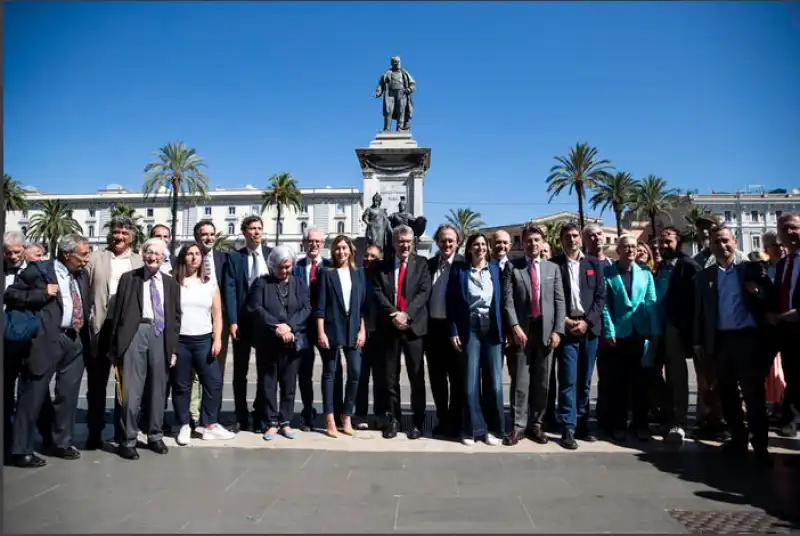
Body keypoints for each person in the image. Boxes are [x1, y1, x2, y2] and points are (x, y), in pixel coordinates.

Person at [6, 234, 91, 468]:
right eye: (83, 255)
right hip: (46, 340)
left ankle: (59, 442)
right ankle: (20, 449)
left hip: (74, 340)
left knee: (68, 394)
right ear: (66, 254)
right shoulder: (39, 270)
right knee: (32, 394)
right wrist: (41, 294)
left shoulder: (82, 274)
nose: (87, 260)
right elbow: (11, 295)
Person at [694, 225, 773, 464]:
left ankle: (761, 447)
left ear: (735, 242)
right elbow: (700, 313)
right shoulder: (705, 277)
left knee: (753, 395)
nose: (722, 245)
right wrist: (699, 342)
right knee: (726, 395)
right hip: (720, 342)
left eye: (726, 241)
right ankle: (738, 440)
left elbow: (769, 298)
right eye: (717, 242)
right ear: (710, 245)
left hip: (747, 341)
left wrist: (757, 292)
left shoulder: (751, 270)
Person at [109, 238, 181, 460]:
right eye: (149, 252)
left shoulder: (171, 284)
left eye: (158, 254)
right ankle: (128, 439)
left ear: (164, 257)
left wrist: (173, 348)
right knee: (131, 390)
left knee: (158, 389)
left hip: (160, 336)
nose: (153, 257)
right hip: (135, 333)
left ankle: (155, 435)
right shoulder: (129, 279)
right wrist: (116, 346)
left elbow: (176, 317)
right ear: (142, 254)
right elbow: (118, 313)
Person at [502, 223, 565, 446]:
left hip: (546, 333)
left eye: (536, 240)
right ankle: (518, 426)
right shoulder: (513, 267)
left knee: (542, 382)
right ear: (523, 242)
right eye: (528, 240)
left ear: (542, 241)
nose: (532, 244)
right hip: (522, 332)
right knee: (520, 381)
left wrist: (558, 330)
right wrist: (515, 326)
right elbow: (507, 301)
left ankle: (536, 425)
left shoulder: (552, 268)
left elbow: (559, 302)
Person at [85, 216, 143, 449]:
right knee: (96, 384)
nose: (119, 237)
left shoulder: (139, 261)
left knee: (125, 385)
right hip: (101, 326)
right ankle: (94, 432)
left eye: (124, 234)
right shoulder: (96, 258)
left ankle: (123, 432)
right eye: (116, 233)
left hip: (126, 330)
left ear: (131, 237)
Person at [171, 244, 235, 446]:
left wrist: (217, 339)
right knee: (181, 386)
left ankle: (209, 425)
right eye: (189, 254)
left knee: (213, 382)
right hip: (180, 341)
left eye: (197, 254)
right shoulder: (174, 284)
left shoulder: (210, 284)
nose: (193, 258)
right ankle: (183, 425)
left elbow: (217, 314)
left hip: (203, 340)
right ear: (183, 258)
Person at [372, 225, 431, 440]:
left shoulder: (422, 264)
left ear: (413, 243)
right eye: (400, 241)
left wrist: (406, 315)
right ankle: (394, 419)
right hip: (390, 328)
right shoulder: (382, 266)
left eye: (408, 241)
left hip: (414, 328)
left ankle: (417, 421)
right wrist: (394, 314)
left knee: (416, 377)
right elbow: (377, 292)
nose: (404, 245)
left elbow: (424, 291)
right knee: (390, 378)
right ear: (394, 243)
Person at [447, 233, 505, 446]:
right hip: (469, 329)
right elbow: (451, 302)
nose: (480, 248)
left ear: (487, 248)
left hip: (492, 329)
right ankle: (471, 429)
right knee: (470, 383)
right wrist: (453, 330)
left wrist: (506, 330)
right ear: (469, 249)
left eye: (483, 245)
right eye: (475, 245)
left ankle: (495, 429)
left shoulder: (496, 271)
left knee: (495, 383)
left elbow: (504, 302)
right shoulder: (460, 271)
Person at [246, 246, 310, 441]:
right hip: (268, 342)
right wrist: (277, 327)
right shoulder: (261, 283)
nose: (284, 271)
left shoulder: (299, 284)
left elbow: (306, 308)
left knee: (289, 384)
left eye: (288, 267)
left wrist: (290, 327)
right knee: (268, 383)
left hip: (292, 341)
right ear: (272, 266)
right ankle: (271, 422)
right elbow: (256, 308)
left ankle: (285, 421)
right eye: (280, 267)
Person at [550, 223, 604, 449]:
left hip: (589, 329)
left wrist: (587, 322)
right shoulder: (553, 265)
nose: (572, 240)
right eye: (567, 236)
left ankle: (582, 423)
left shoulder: (593, 264)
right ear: (561, 240)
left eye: (574, 236)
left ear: (580, 239)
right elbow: (550, 299)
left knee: (584, 381)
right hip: (567, 329)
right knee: (568, 380)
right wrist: (566, 321)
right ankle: (568, 428)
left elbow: (601, 297)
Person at [602, 235, 660, 442]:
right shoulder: (608, 273)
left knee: (641, 384)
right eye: (626, 247)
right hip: (619, 334)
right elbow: (605, 306)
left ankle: (641, 425)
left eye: (633, 247)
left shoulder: (645, 273)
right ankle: (618, 425)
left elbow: (651, 302)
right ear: (618, 251)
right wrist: (609, 331)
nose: (630, 250)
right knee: (619, 384)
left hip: (641, 334)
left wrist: (655, 331)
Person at [224, 215, 273, 432]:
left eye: (259, 228)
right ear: (244, 232)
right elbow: (230, 290)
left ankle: (261, 413)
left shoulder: (271, 255)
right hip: (242, 322)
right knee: (240, 371)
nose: (256, 232)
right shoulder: (235, 258)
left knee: (266, 370)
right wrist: (233, 321)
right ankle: (240, 415)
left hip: (266, 323)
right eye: (252, 228)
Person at [653, 227, 701, 445]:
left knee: (677, 377)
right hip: (655, 327)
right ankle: (666, 413)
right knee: (652, 372)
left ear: (678, 243)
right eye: (661, 241)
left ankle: (679, 421)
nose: (664, 245)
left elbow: (697, 301)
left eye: (668, 241)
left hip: (676, 328)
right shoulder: (659, 267)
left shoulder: (689, 266)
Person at [316, 235, 368, 438]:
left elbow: (362, 306)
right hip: (332, 328)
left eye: (345, 248)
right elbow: (320, 306)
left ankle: (346, 415)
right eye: (338, 248)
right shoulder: (326, 273)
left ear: (351, 250)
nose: (341, 252)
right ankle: (329, 417)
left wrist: (362, 330)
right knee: (329, 373)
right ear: (333, 251)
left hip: (353, 328)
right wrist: (321, 332)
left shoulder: (358, 274)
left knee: (355, 372)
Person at [294, 228, 339, 431]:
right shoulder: (295, 267)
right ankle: (308, 411)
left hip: (326, 327)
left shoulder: (332, 267)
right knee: (304, 372)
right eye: (310, 241)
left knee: (331, 371)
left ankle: (332, 411)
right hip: (302, 328)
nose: (314, 245)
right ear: (304, 243)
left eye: (317, 241)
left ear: (323, 244)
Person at [425, 223, 465, 437]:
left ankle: (456, 422)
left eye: (450, 240)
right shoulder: (429, 265)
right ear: (437, 242)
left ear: (457, 243)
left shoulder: (463, 265)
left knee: (457, 379)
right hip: (433, 330)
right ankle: (442, 418)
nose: (446, 243)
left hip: (455, 332)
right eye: (443, 240)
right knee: (437, 379)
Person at [191, 220, 230, 430]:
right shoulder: (189, 257)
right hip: (194, 321)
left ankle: (213, 414)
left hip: (217, 321)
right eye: (204, 234)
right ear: (197, 236)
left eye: (212, 234)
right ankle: (193, 414)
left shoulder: (224, 259)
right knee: (193, 373)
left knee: (217, 370)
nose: (209, 238)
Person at [770, 213, 799, 439]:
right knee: (793, 375)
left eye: (793, 228)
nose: (789, 233)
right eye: (784, 229)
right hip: (787, 331)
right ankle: (791, 419)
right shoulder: (783, 264)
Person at [354, 245, 385, 429]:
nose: (368, 258)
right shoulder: (357, 276)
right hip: (360, 333)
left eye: (373, 256)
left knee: (381, 378)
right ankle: (361, 414)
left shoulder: (383, 277)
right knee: (361, 376)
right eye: (366, 255)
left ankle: (380, 414)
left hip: (381, 334)